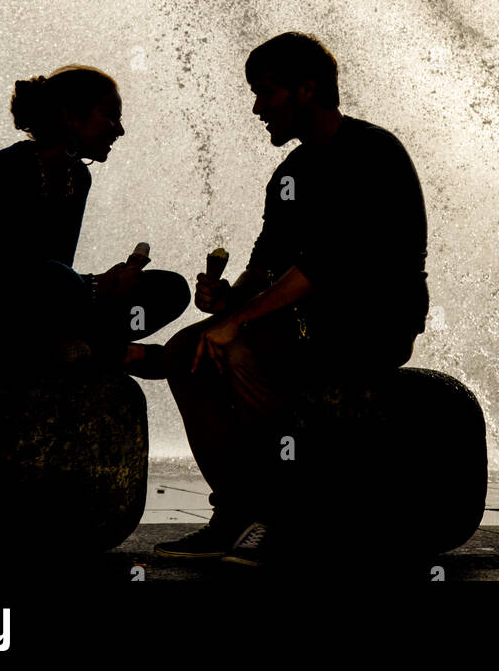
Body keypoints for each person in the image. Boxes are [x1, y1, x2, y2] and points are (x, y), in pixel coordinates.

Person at [154, 32, 429, 569]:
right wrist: (228, 300)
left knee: (248, 348)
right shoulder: (290, 174)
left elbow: (326, 263)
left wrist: (241, 325)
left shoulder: (372, 152)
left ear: (307, 90)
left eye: (266, 92)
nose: (257, 108)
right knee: (186, 350)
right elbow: (267, 266)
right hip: (304, 318)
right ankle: (234, 513)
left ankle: (285, 518)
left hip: (373, 321)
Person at [0, 65, 190, 373]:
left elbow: (58, 271)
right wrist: (96, 285)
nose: (119, 129)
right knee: (52, 279)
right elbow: (8, 273)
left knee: (170, 290)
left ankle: (85, 350)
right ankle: (115, 354)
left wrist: (108, 287)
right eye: (111, 116)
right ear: (70, 116)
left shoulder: (77, 177)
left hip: (37, 314)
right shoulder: (10, 168)